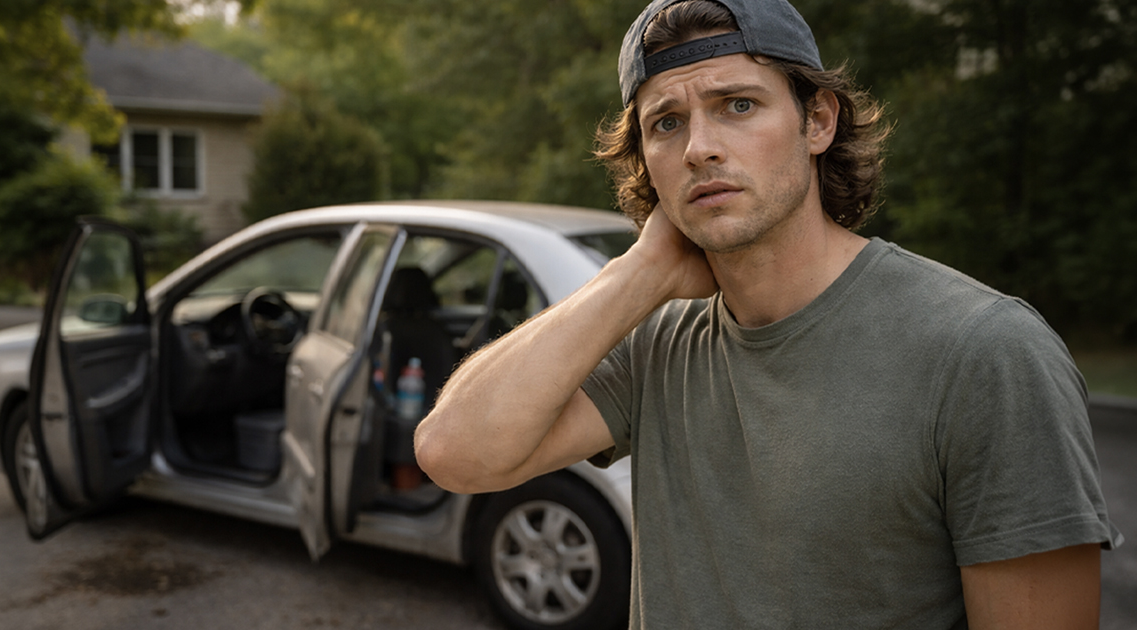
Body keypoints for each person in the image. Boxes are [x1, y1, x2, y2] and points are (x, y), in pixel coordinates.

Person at [414, 0, 1123, 627]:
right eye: (667, 123)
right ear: (647, 166)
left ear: (817, 120)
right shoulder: (661, 343)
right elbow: (455, 453)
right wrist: (641, 270)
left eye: (738, 105)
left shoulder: (985, 349)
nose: (700, 147)